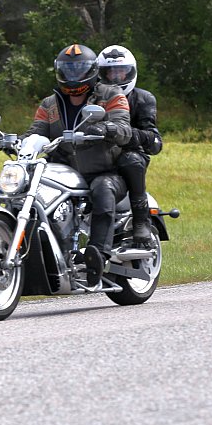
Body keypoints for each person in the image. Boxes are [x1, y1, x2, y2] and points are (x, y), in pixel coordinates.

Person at [23, 43, 132, 287]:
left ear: (92, 71)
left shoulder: (112, 95)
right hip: (63, 171)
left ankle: (98, 254)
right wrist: (20, 141)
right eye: (67, 70)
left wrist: (106, 128)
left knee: (103, 189)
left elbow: (124, 129)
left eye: (78, 70)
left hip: (105, 170)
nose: (72, 76)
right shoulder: (50, 103)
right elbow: (36, 130)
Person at [97, 45, 163, 249]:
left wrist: (122, 133)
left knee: (131, 161)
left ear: (130, 72)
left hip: (129, 153)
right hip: (96, 153)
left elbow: (154, 141)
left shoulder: (143, 98)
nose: (116, 78)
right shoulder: (94, 96)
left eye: (121, 72)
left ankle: (140, 220)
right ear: (101, 74)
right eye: (111, 72)